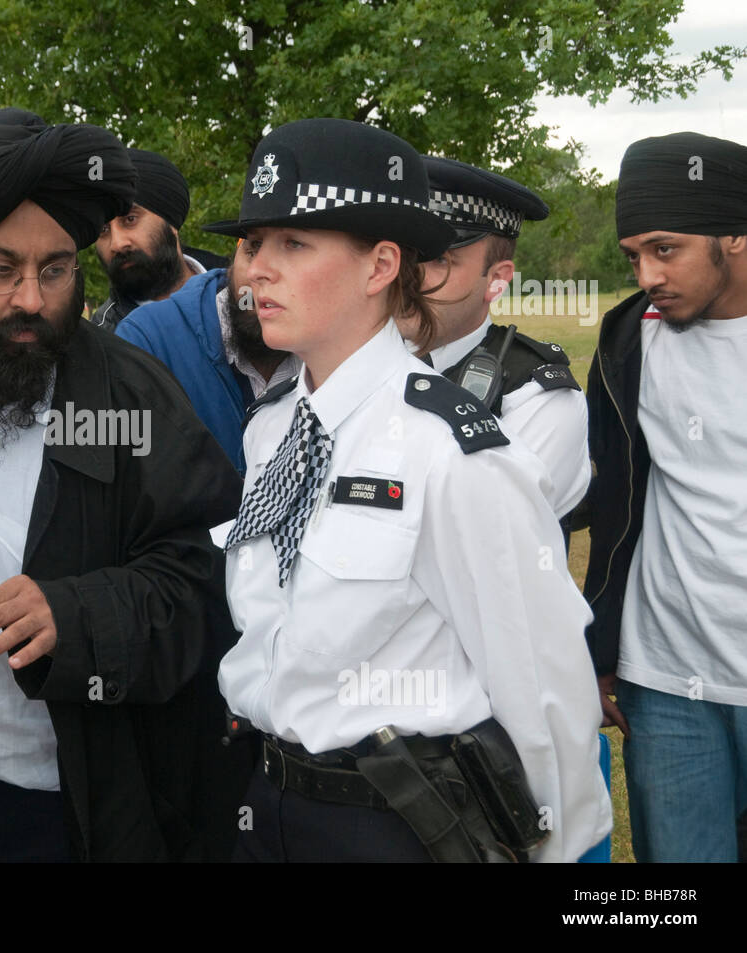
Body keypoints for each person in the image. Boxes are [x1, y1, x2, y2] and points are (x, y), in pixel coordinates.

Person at [0, 110, 248, 861]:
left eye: (56, 269)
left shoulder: (129, 398)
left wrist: (74, 612)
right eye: (0, 270)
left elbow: (199, 588)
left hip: (53, 813)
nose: (32, 297)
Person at [211, 118, 612, 862]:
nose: (257, 269)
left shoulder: (449, 448)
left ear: (380, 266)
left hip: (397, 821)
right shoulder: (271, 429)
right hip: (267, 802)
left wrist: (557, 850)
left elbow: (542, 682)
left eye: (293, 244)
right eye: (253, 243)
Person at [584, 131, 747, 862]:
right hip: (667, 681)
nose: (646, 274)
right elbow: (612, 504)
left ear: (734, 236)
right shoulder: (627, 340)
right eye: (633, 257)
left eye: (664, 248)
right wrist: (600, 645)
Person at [397, 157, 588, 523]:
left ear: (497, 280)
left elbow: (478, 538)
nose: (408, 278)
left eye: (438, 260)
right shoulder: (351, 361)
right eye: (404, 254)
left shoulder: (535, 396)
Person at [115, 246, 299, 471]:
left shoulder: (346, 346)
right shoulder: (148, 339)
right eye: (252, 249)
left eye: (293, 250)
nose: (259, 272)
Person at [91, 148, 210, 330]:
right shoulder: (102, 342)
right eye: (103, 229)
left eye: (130, 219)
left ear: (170, 222)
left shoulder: (244, 292)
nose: (117, 243)